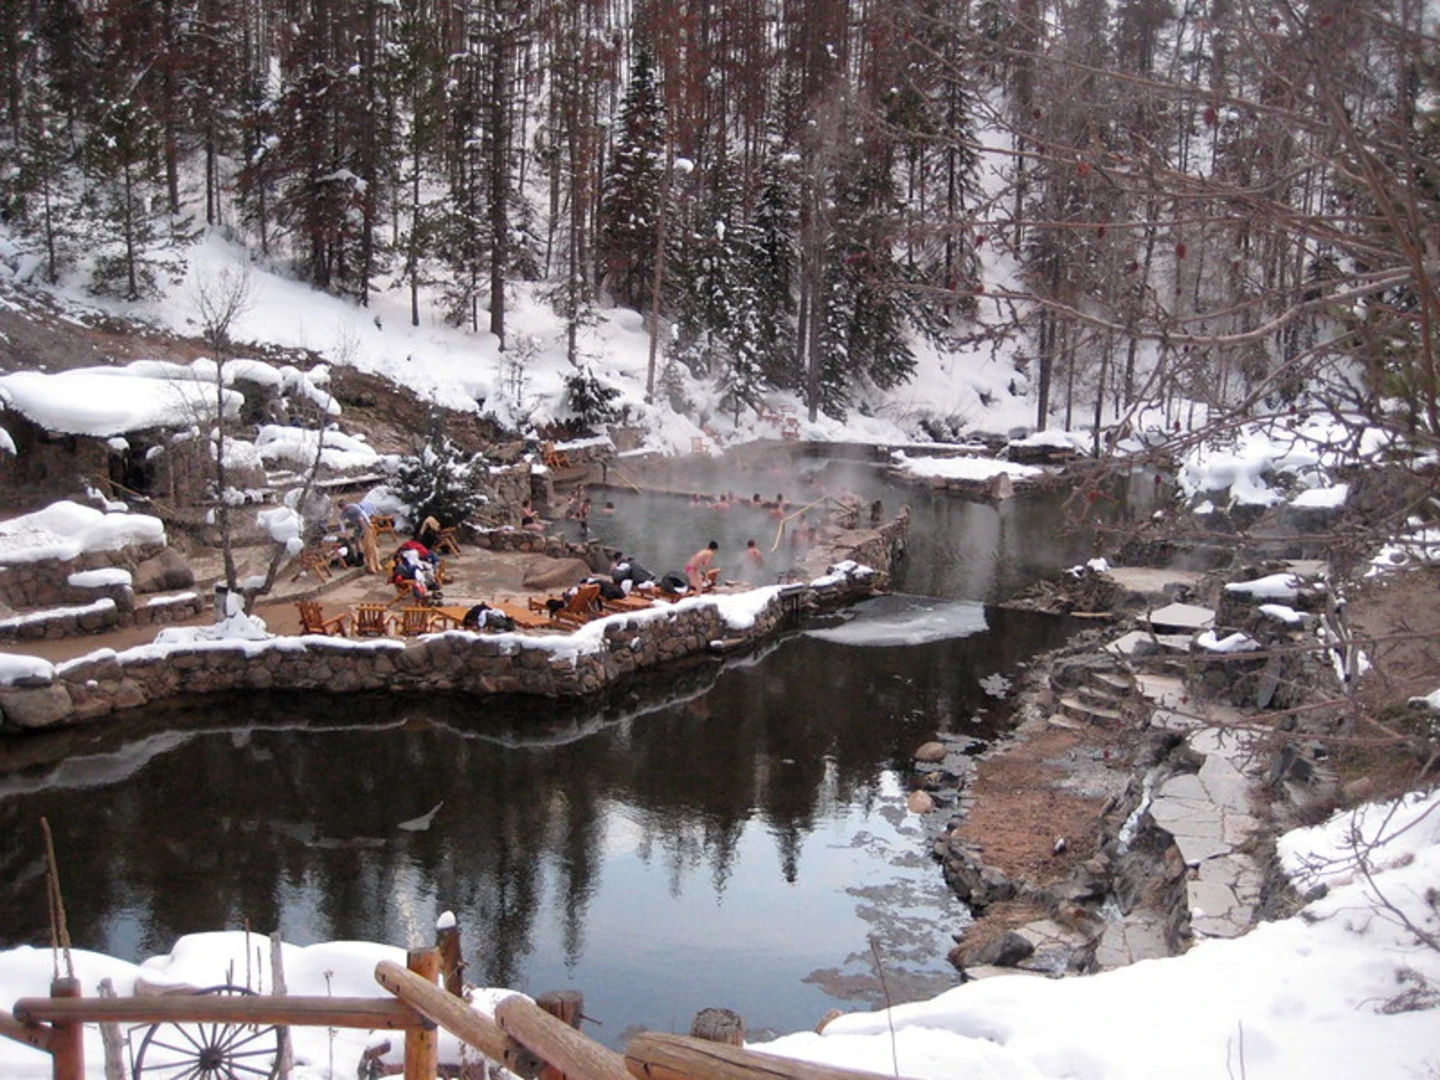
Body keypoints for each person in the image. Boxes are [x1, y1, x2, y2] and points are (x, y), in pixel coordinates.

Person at [339, 500, 382, 574]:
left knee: (369, 545)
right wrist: (344, 532)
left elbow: (363, 514)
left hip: (364, 524)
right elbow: (341, 522)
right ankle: (360, 556)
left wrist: (368, 523)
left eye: (344, 507)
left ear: (346, 505)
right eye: (342, 508)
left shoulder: (354, 507)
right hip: (358, 526)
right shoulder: (343, 514)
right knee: (357, 540)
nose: (344, 509)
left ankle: (374, 563)